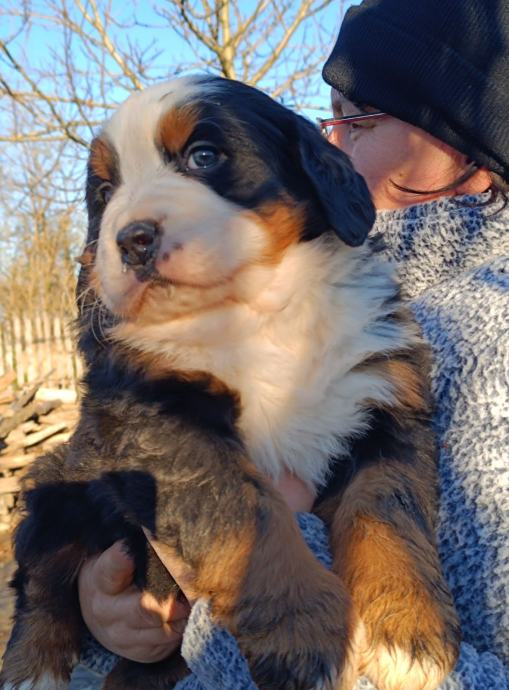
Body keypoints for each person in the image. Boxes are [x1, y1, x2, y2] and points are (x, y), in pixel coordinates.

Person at [70, 0, 509, 688]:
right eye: (329, 118)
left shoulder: (488, 325)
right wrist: (101, 610)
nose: (329, 146)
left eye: (359, 121)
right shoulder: (221, 307)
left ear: (476, 147)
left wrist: (251, 603)